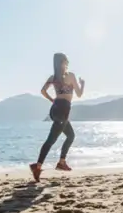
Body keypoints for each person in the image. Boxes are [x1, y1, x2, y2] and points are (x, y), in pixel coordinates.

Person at [30, 53, 85, 182]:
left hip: (56, 109)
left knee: (70, 135)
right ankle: (37, 167)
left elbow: (43, 91)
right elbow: (79, 94)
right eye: (66, 62)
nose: (67, 64)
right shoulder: (70, 76)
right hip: (63, 110)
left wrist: (52, 100)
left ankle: (61, 162)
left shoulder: (53, 77)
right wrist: (82, 84)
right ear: (63, 63)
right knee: (51, 139)